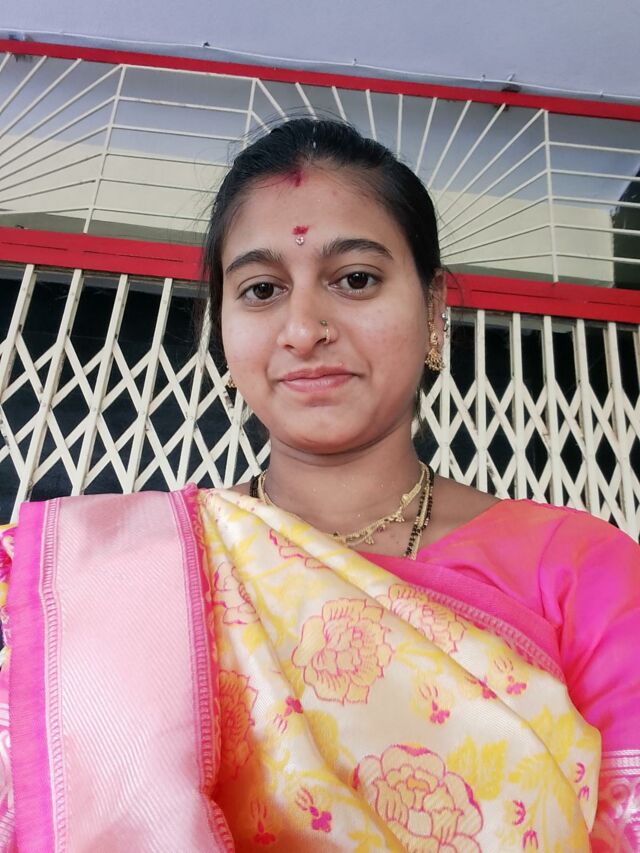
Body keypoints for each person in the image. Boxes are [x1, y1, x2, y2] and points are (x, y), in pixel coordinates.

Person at [0, 118, 638, 852]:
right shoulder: (126, 573)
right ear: (222, 326)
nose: (303, 329)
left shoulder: (582, 570)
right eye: (262, 289)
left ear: (434, 308)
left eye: (355, 279)